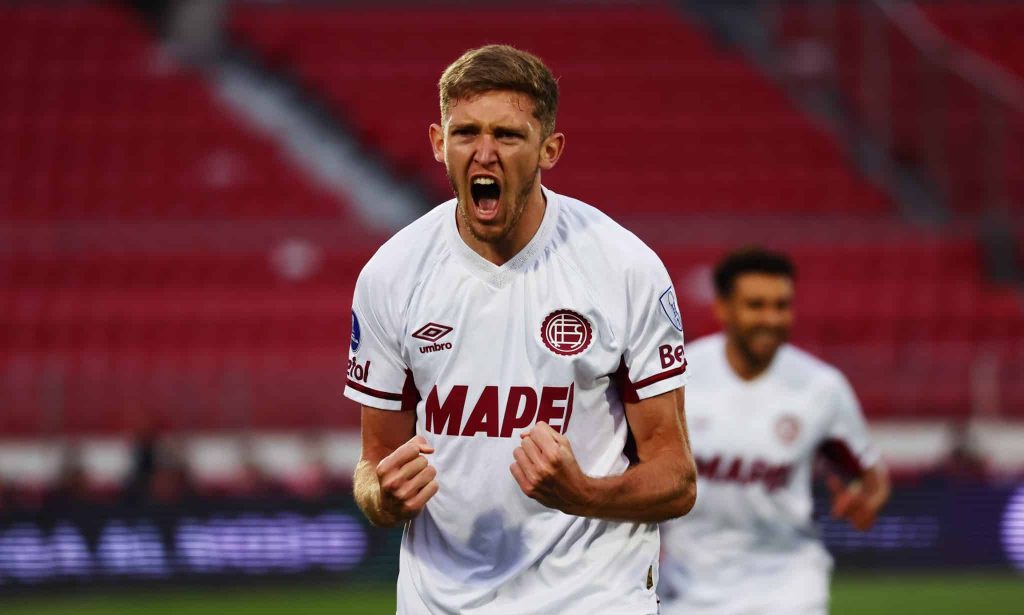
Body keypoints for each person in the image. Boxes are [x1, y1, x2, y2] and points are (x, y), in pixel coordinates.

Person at [345, 44, 697, 614]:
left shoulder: (623, 268)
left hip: (590, 599)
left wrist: (585, 494)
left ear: (549, 149)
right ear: (438, 142)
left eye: (508, 135)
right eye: (466, 133)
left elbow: (677, 478)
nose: (484, 153)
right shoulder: (391, 274)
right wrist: (382, 498)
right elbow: (374, 462)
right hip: (441, 601)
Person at [658, 247, 891, 615]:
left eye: (781, 305)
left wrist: (865, 498)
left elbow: (871, 475)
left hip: (788, 585)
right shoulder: (680, 378)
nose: (771, 318)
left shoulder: (821, 387)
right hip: (689, 588)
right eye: (756, 305)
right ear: (723, 308)